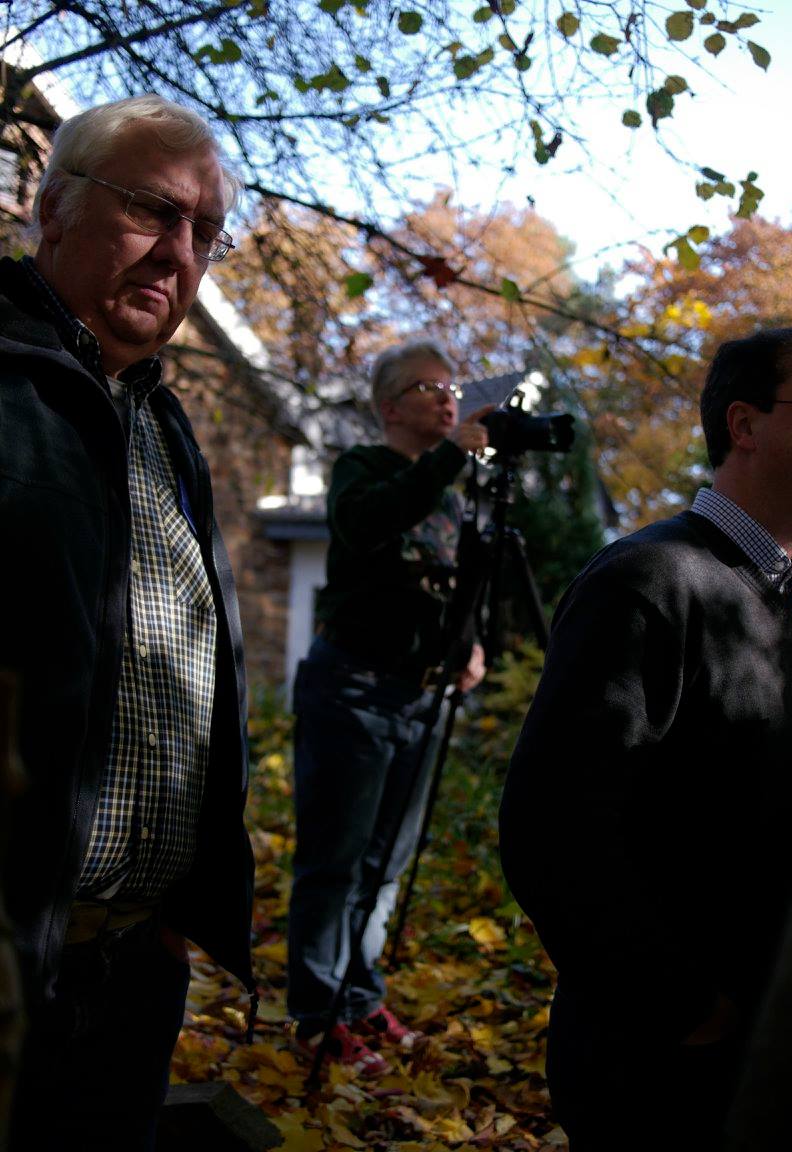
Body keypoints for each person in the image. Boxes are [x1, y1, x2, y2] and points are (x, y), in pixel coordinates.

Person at [498, 328, 792, 1150]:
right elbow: (550, 834)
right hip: (658, 1076)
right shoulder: (645, 582)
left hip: (755, 1065)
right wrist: (689, 1012)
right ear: (745, 424)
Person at [0, 95, 256, 1150]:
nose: (179, 252)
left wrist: (170, 925)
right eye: (154, 209)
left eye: (206, 232)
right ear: (53, 206)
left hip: (131, 974)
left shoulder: (162, 423)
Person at [287, 339, 489, 1075]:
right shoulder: (362, 468)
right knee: (334, 864)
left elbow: (451, 583)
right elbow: (368, 523)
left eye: (452, 387)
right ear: (389, 406)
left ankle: (359, 996)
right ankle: (317, 1017)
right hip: (353, 687)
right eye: (429, 388)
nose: (448, 399)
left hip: (417, 693)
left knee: (385, 866)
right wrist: (450, 460)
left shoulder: (451, 492)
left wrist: (468, 643)